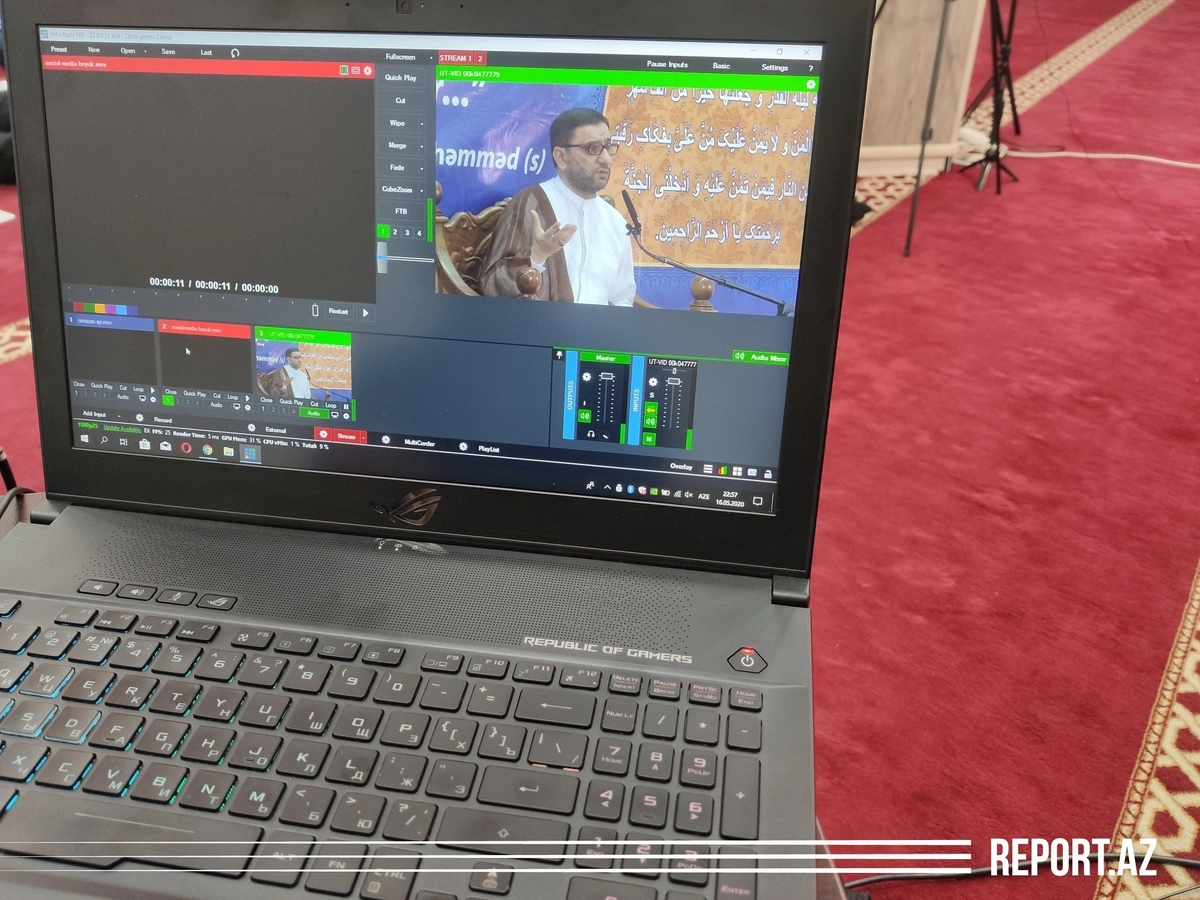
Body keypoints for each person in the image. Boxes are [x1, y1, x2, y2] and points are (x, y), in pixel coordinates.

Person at [481, 108, 636, 306]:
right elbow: (493, 286)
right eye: (593, 148)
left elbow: (621, 298)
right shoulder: (531, 205)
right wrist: (536, 256)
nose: (606, 159)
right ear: (561, 157)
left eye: (608, 146)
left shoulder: (615, 222)